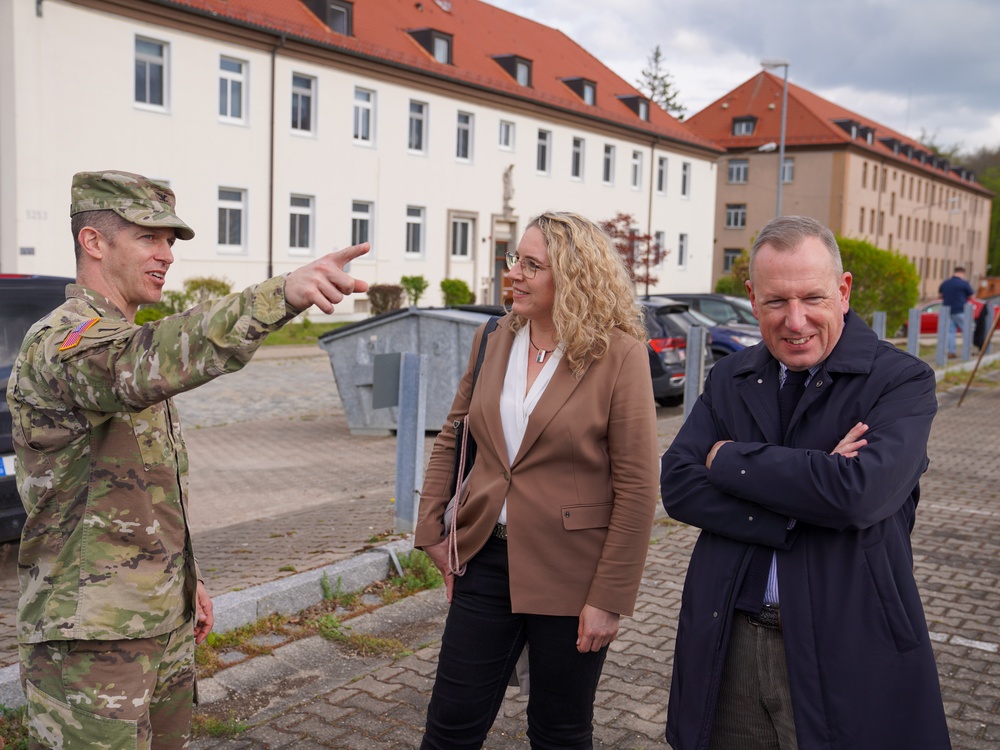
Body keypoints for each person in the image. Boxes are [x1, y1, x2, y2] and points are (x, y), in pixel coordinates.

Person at [6, 170, 369, 748]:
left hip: (161, 619)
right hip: (94, 639)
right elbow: (157, 356)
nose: (166, 255)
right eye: (149, 237)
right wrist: (281, 295)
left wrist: (187, 580)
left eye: (171, 242)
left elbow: (145, 488)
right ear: (94, 243)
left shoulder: (123, 336)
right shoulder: (64, 344)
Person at [660, 215, 951, 750]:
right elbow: (678, 484)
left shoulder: (901, 381)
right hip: (732, 638)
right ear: (751, 297)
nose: (795, 321)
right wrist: (804, 493)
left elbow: (858, 493)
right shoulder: (732, 376)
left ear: (843, 292)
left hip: (843, 644)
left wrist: (726, 460)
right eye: (776, 302)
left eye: (812, 298)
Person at [415, 211, 659, 749]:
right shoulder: (494, 337)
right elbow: (455, 436)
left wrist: (609, 597)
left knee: (560, 731)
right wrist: (432, 527)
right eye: (513, 260)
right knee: (450, 724)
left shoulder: (619, 354)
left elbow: (639, 487)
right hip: (483, 559)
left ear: (572, 275)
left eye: (532, 265)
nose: (515, 274)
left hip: (572, 574)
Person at [939, 266, 975, 358]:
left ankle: (951, 352)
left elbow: (940, 295)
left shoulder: (945, 283)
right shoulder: (964, 283)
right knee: (967, 330)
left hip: (947, 311)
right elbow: (971, 296)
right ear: (962, 273)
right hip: (960, 310)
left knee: (951, 332)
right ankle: (968, 351)